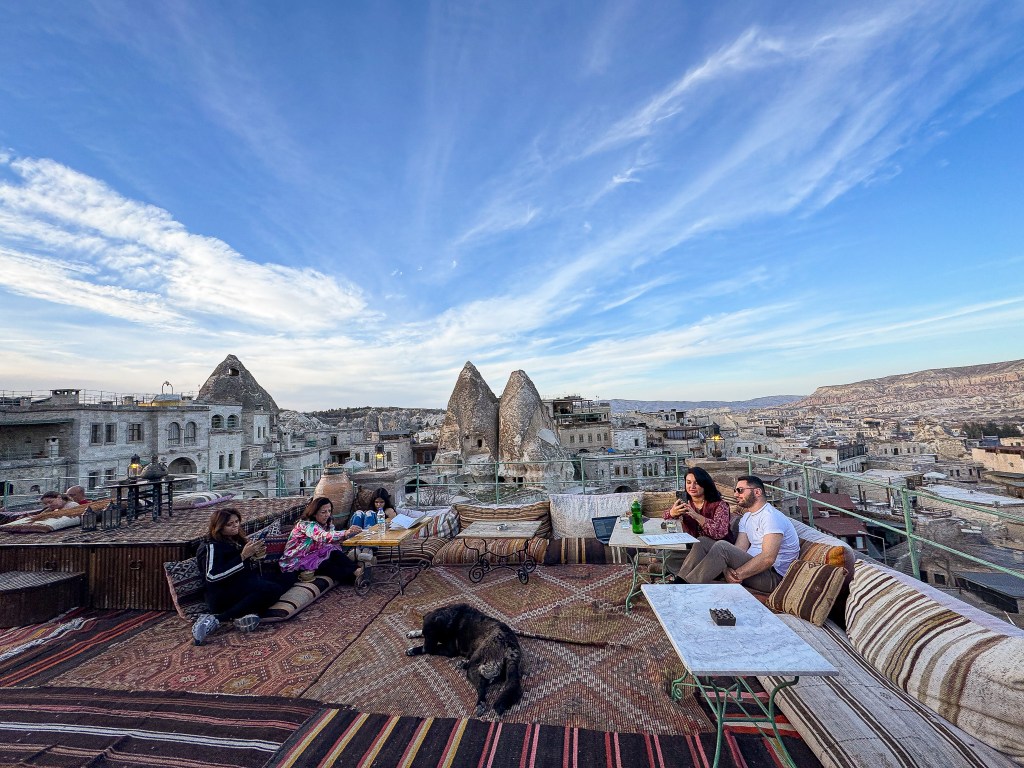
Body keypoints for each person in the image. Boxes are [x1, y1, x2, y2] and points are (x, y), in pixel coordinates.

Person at [670, 475, 800, 592]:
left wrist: (738, 574)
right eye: (735, 491)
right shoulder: (747, 517)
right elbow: (739, 549)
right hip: (752, 567)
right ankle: (679, 582)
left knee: (722, 546)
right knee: (703, 541)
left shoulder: (771, 517)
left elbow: (768, 558)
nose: (736, 495)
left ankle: (685, 589)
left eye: (740, 490)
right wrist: (727, 569)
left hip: (772, 577)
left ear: (757, 492)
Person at [191, 507, 293, 645]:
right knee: (272, 590)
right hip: (223, 594)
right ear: (219, 527)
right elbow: (212, 576)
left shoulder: (235, 540)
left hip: (241, 586)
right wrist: (243, 556)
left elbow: (243, 566)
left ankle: (242, 616)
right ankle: (217, 619)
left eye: (237, 522)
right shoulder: (211, 546)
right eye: (229, 524)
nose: (235, 526)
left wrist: (255, 557)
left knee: (287, 578)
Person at [661, 466, 734, 576]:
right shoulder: (685, 503)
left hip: (715, 548)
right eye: (688, 482)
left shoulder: (719, 505)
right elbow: (664, 523)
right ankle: (695, 573)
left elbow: (720, 532)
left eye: (697, 483)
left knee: (701, 545)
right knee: (669, 557)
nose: (692, 487)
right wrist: (672, 513)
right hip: (692, 548)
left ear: (705, 484)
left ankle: (685, 578)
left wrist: (697, 516)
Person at [279, 496, 363, 584]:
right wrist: (345, 533)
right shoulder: (306, 525)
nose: (327, 514)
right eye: (323, 512)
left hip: (314, 555)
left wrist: (350, 533)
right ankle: (355, 577)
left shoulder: (327, 523)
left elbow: (332, 538)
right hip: (296, 561)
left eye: (329, 511)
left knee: (333, 552)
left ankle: (358, 570)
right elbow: (322, 536)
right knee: (326, 565)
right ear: (314, 513)